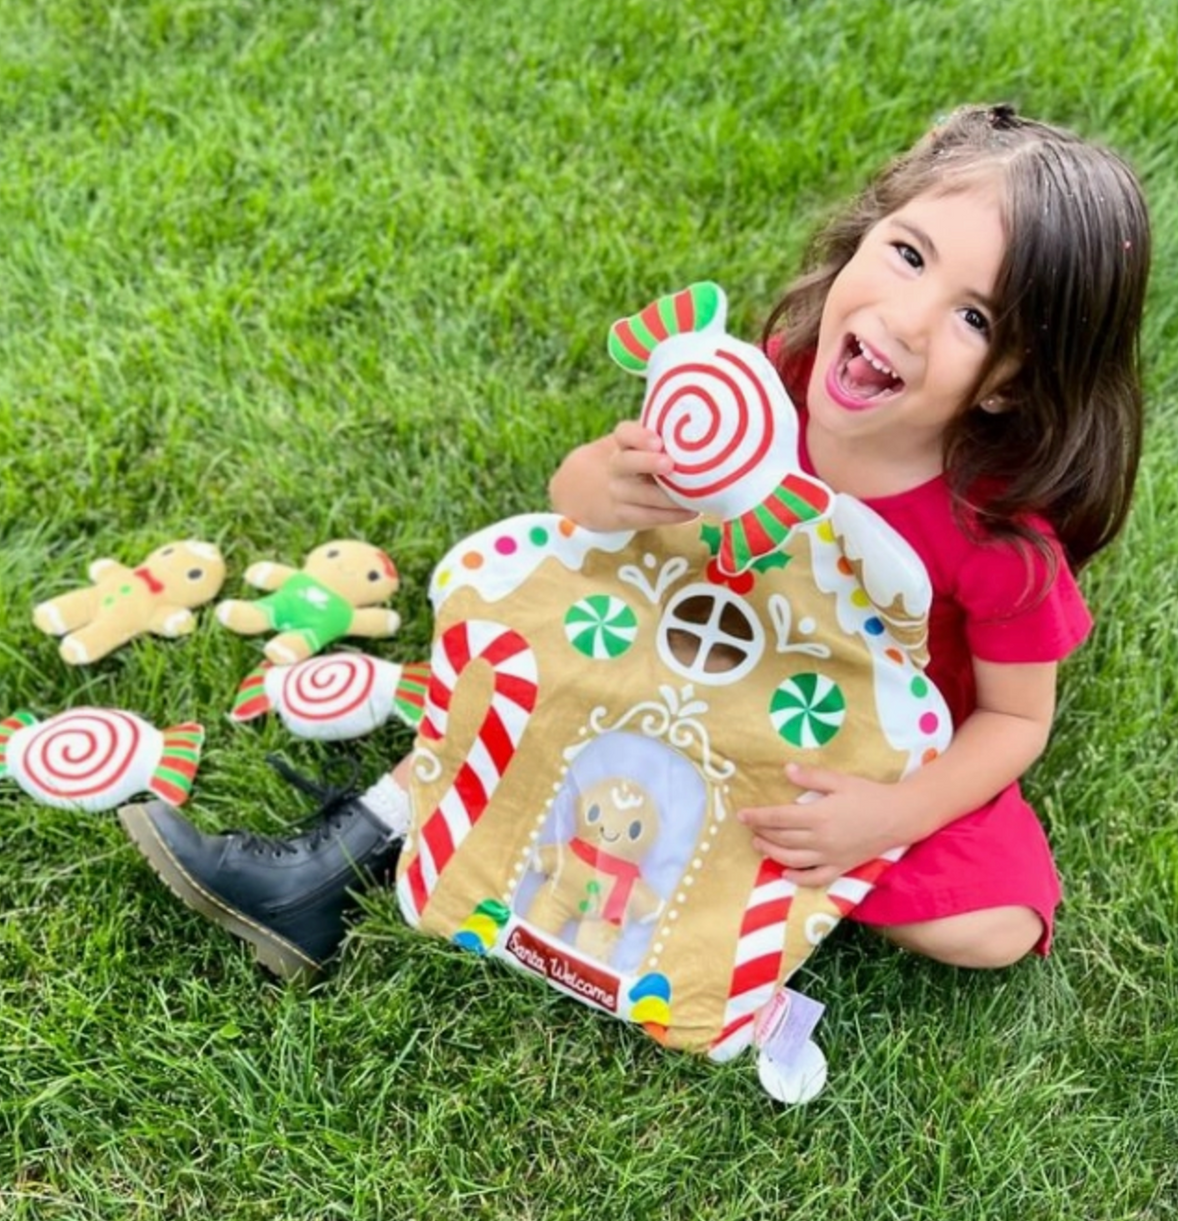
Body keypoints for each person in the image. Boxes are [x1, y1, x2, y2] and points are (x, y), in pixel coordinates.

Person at [120, 104, 1151, 983]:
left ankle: (755, 860)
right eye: (907, 254)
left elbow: (1014, 721)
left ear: (1012, 379)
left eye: (972, 316)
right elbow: (582, 511)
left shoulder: (994, 535)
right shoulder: (762, 389)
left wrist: (886, 815)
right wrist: (600, 487)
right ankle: (330, 860)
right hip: (699, 651)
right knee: (534, 670)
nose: (907, 319)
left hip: (856, 732)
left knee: (988, 928)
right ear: (866, 234)